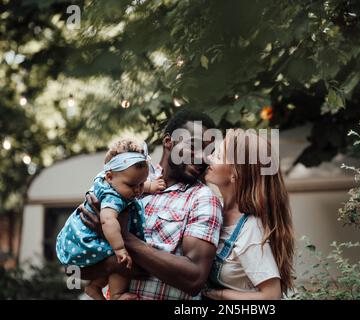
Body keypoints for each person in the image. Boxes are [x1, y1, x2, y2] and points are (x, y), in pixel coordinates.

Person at [78, 109, 223, 300]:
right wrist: (117, 264)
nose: (203, 157)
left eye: (208, 151)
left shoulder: (203, 199)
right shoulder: (124, 179)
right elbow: (76, 269)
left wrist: (121, 237)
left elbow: (194, 279)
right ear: (168, 141)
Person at [56, 138, 163, 300]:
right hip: (89, 240)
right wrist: (120, 249)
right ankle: (116, 295)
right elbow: (107, 221)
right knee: (123, 262)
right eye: (132, 185)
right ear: (110, 176)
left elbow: (135, 180)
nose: (138, 191)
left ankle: (94, 286)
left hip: (80, 239)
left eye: (141, 184)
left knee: (111, 259)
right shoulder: (112, 197)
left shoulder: (112, 177)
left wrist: (150, 186)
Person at [202, 129, 295, 300]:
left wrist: (219, 294)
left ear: (235, 174)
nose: (209, 158)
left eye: (219, 156)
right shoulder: (216, 210)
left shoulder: (250, 228)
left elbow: (271, 296)